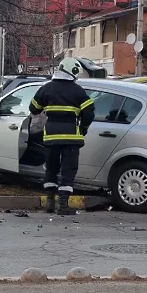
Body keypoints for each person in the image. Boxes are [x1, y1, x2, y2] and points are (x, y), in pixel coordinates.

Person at [30, 57, 95, 215]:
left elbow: (33, 107)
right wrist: (83, 128)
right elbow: (89, 113)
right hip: (71, 137)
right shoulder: (78, 90)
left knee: (51, 168)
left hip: (51, 136)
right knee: (68, 169)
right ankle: (64, 204)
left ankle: (50, 202)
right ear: (72, 72)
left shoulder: (47, 88)